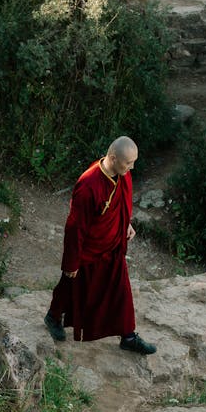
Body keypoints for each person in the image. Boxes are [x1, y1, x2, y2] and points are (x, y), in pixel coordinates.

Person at [44, 136, 156, 353]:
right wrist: (71, 263)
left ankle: (128, 336)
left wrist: (127, 224)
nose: (132, 167)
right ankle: (53, 316)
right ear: (113, 158)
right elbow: (75, 228)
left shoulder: (122, 174)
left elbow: (123, 201)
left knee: (121, 288)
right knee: (71, 282)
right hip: (89, 249)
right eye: (128, 163)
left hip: (113, 245)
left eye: (133, 162)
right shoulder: (89, 185)